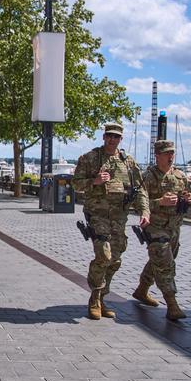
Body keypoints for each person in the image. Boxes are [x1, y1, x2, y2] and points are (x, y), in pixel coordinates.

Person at [73, 123, 149, 320]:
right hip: (97, 215)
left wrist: (144, 211)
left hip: (119, 218)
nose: (112, 140)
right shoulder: (90, 158)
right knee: (104, 256)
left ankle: (102, 297)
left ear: (121, 139)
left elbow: (140, 189)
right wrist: (94, 181)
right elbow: (75, 184)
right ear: (103, 137)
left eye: (116, 137)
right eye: (109, 136)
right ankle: (95, 298)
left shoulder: (128, 162)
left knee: (114, 260)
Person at [132, 140, 191, 321]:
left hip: (174, 228)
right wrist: (160, 202)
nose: (170, 157)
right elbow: (137, 204)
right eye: (166, 153)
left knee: (159, 260)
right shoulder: (148, 177)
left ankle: (142, 290)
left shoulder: (180, 176)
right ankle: (172, 304)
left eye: (172, 153)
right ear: (157, 155)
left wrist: (190, 200)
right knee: (165, 264)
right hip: (156, 228)